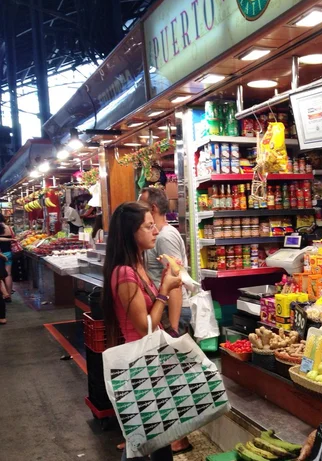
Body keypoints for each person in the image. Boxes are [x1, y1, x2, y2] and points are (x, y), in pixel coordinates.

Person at [101, 202, 181, 461]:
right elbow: (145, 327)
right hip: (140, 366)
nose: (155, 231)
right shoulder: (125, 273)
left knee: (155, 440)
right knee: (147, 442)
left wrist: (165, 280)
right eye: (148, 227)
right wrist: (165, 290)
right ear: (131, 233)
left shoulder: (137, 267)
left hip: (150, 362)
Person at [138, 187, 193, 455]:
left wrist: (171, 326)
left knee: (174, 377)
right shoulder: (158, 236)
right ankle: (168, 435)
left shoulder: (164, 237)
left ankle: (179, 438)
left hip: (172, 311)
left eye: (143, 206)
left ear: (154, 210)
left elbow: (177, 281)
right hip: (165, 309)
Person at [0, 214, 15, 300]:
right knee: (8, 274)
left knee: (0, 276)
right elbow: (14, 237)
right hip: (8, 252)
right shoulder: (9, 228)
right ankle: (8, 294)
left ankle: (4, 294)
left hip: (0, 254)